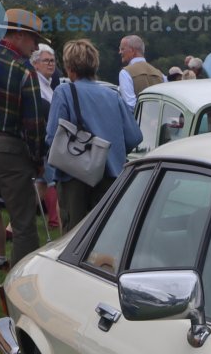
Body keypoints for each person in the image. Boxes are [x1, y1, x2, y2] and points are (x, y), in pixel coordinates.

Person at [0, 8, 47, 299]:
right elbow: (34, 123)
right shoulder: (24, 70)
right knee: (23, 219)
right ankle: (19, 280)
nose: (36, 47)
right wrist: (37, 159)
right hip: (8, 146)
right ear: (18, 34)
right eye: (33, 39)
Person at [47, 38, 143, 230]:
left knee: (74, 235)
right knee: (105, 232)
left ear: (69, 67)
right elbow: (135, 137)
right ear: (94, 65)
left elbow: (52, 136)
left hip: (74, 176)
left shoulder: (64, 92)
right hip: (110, 175)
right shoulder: (113, 96)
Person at [31, 45, 64, 232]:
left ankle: (13, 228)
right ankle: (61, 232)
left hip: (46, 142)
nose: (51, 64)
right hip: (45, 143)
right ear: (35, 64)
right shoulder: (37, 84)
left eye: (52, 61)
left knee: (41, 185)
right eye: (46, 61)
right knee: (56, 186)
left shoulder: (47, 84)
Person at [117, 35, 165, 109]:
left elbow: (130, 106)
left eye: (122, 49)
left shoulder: (125, 73)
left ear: (132, 51)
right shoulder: (160, 74)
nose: (120, 52)